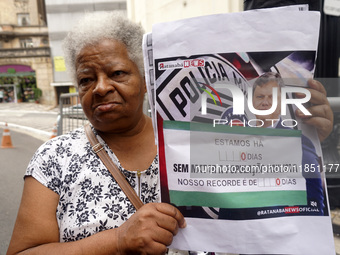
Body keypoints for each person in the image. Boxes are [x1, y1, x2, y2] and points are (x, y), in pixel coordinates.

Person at [6, 12, 333, 255]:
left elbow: (274, 214)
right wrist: (117, 240)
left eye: (117, 73)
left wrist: (308, 136)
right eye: (86, 80)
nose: (101, 87)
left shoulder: (205, 138)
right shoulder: (55, 157)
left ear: (147, 80)